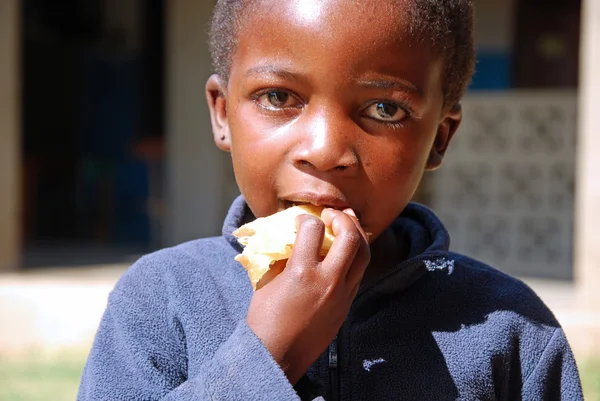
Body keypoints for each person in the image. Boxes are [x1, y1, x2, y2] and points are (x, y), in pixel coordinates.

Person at [78, 1, 584, 399]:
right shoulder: (161, 299)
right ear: (222, 113)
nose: (324, 151)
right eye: (278, 97)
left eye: (384, 108)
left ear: (439, 139)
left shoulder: (512, 329)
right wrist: (272, 352)